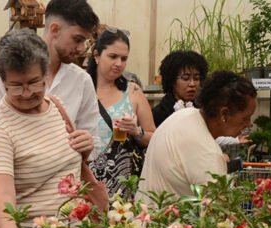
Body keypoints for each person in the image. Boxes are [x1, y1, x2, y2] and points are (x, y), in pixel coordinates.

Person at [0, 30, 89, 228]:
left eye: (33, 82)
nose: (27, 93)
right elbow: (0, 193)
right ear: (3, 83)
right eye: (16, 86)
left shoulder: (56, 106)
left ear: (46, 73)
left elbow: (67, 165)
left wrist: (84, 150)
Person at [0, 0, 100, 158]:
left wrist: (87, 146)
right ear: (55, 29)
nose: (82, 48)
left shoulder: (81, 80)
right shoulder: (5, 74)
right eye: (77, 39)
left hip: (69, 172)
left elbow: (93, 142)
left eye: (85, 42)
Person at [137, 71, 257, 200]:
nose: (249, 124)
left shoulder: (183, 116)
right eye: (246, 118)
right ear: (224, 114)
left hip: (145, 209)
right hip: (167, 212)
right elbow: (218, 207)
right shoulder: (206, 152)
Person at [87, 27, 156, 197]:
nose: (119, 63)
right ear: (96, 55)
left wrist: (136, 131)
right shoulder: (81, 89)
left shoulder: (132, 91)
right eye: (113, 56)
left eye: (124, 58)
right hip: (86, 181)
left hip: (123, 184)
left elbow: (154, 137)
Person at [151, 50, 208, 128]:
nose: (192, 84)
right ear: (172, 80)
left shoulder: (204, 110)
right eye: (185, 78)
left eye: (196, 78)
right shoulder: (158, 114)